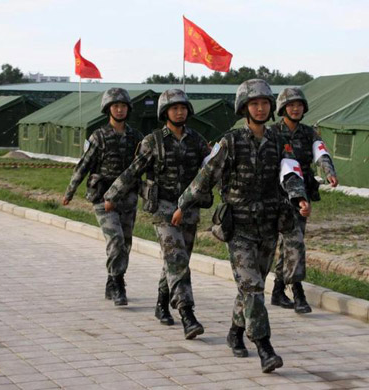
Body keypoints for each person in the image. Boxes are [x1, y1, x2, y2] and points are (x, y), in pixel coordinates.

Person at [173, 79, 310, 373]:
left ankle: (235, 332)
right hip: (239, 229)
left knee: (252, 287)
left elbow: (290, 171)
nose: (260, 108)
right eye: (254, 104)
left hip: (269, 226)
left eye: (264, 104)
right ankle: (264, 346)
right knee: (253, 287)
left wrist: (299, 197)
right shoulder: (231, 141)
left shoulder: (277, 140)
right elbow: (206, 175)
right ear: (244, 108)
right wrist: (183, 204)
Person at [103, 89, 210, 340]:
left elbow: (212, 170)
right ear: (165, 113)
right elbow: (133, 171)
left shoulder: (197, 140)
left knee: (175, 260)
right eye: (174, 108)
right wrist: (112, 194)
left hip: (189, 210)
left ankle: (162, 302)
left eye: (183, 107)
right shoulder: (153, 141)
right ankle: (187, 314)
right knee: (177, 260)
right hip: (162, 208)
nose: (180, 112)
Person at [62, 88, 143, 306]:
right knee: (115, 239)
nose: (119, 109)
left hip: (128, 198)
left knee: (125, 243)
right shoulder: (98, 136)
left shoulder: (136, 137)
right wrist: (70, 191)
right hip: (102, 197)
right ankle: (118, 284)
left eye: (123, 106)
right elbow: (84, 165)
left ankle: (112, 279)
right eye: (115, 106)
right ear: (108, 109)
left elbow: (144, 165)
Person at [270, 87, 338, 313]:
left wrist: (329, 171)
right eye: (291, 105)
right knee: (289, 242)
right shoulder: (272, 133)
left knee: (294, 240)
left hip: (301, 197)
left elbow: (321, 153)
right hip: (275, 193)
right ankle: (287, 291)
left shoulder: (309, 133)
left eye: (299, 105)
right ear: (282, 108)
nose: (296, 108)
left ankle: (288, 290)